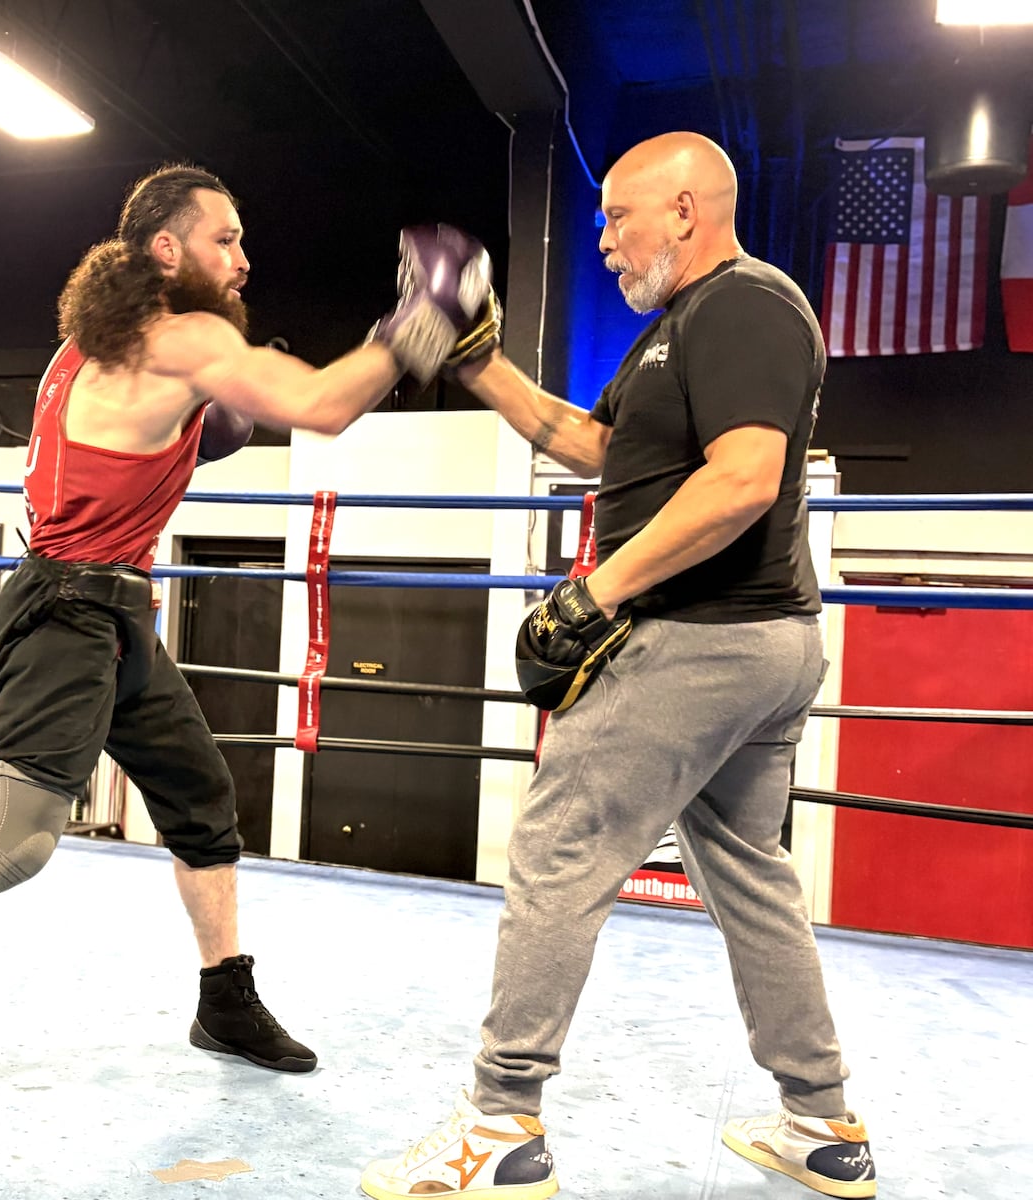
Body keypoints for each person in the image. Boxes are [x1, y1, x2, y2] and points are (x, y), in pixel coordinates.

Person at [0, 164, 491, 1113]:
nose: (246, 260)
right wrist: (421, 315)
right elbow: (327, 406)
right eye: (226, 239)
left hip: (115, 609)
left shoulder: (86, 343)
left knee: (201, 797)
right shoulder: (182, 338)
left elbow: (154, 434)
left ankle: (224, 999)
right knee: (14, 845)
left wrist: (205, 425)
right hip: (64, 614)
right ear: (166, 251)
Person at [360, 132, 876, 1199]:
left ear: (685, 211)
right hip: (755, 644)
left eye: (616, 216)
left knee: (555, 846)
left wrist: (599, 590)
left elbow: (743, 480)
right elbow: (578, 439)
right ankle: (820, 1125)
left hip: (704, 637)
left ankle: (499, 1126)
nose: (600, 239)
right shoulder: (671, 336)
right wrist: (470, 358)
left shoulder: (742, 305)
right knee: (748, 873)